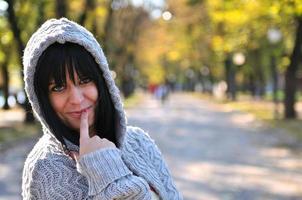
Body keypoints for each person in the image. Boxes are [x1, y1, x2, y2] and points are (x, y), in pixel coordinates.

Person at [22, 18, 182, 200]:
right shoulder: (45, 169)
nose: (76, 98)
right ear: (43, 99)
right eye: (58, 87)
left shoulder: (139, 142)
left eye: (84, 80)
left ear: (103, 82)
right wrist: (106, 172)